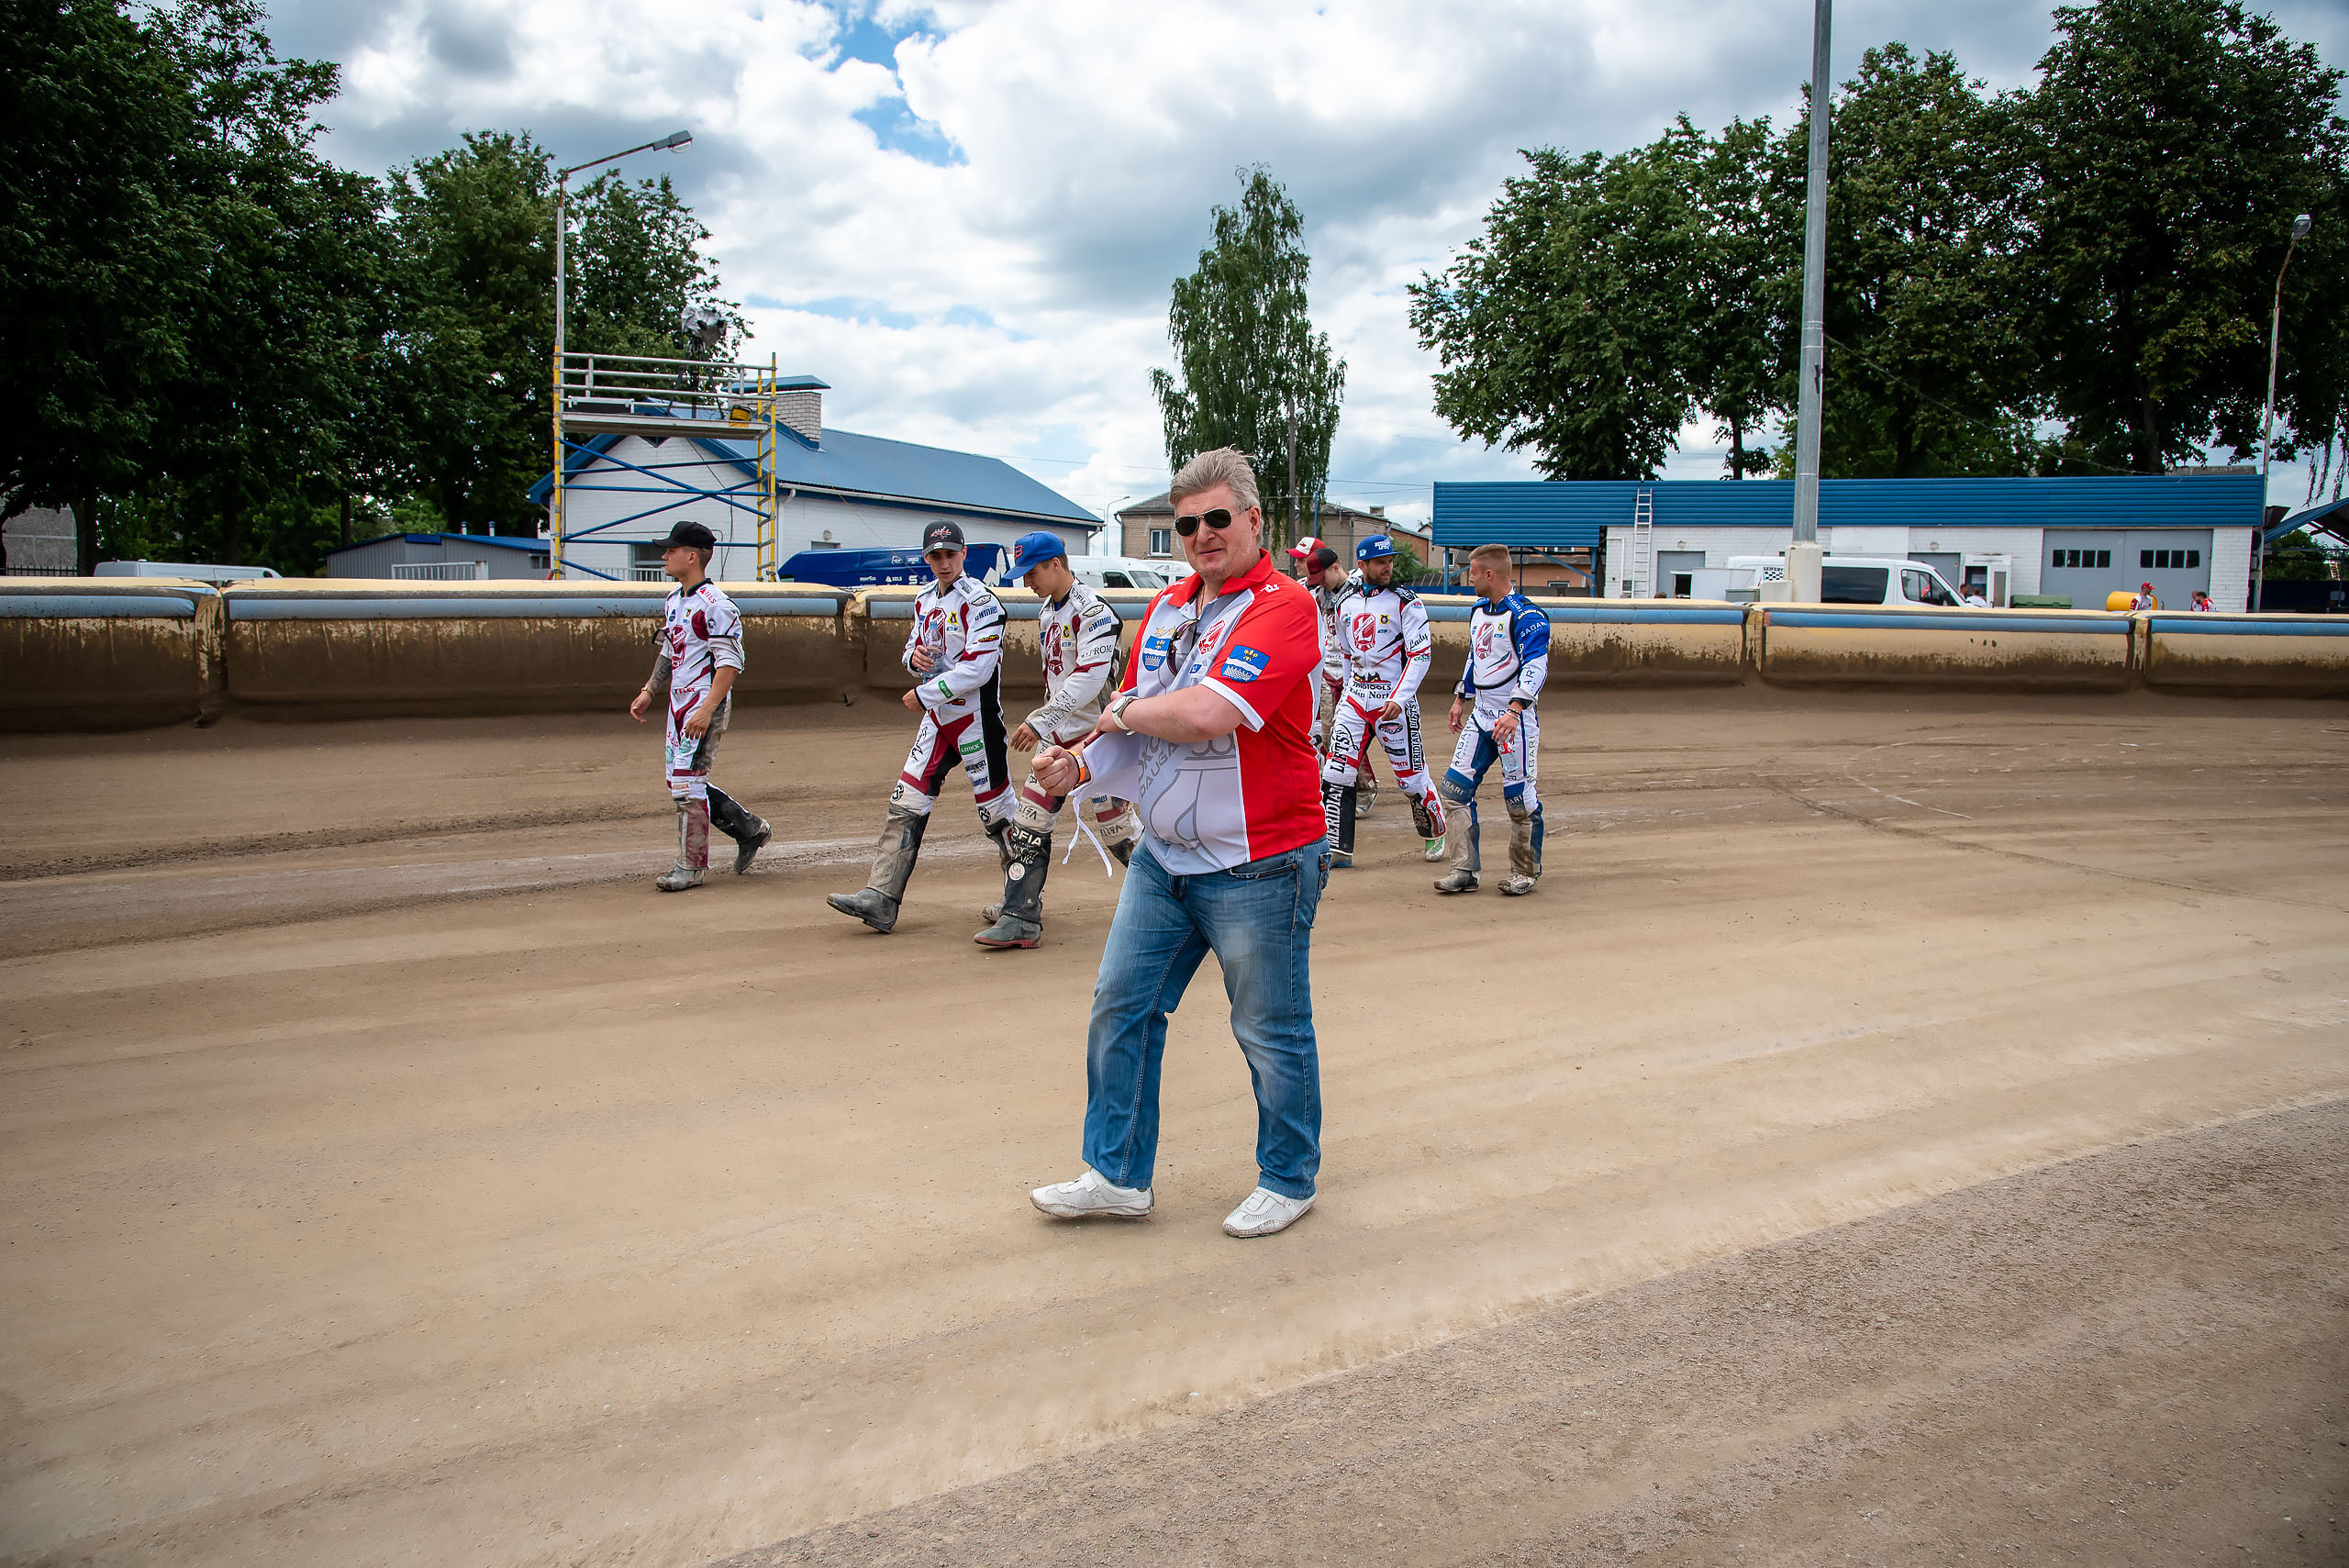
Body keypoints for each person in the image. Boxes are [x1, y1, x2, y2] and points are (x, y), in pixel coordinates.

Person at [1027, 447, 1330, 1240]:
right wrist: (1078, 763)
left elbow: (1203, 714)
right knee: (1120, 1008)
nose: (1200, 534)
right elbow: (1135, 727)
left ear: (1254, 521)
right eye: (1186, 523)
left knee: (1269, 1026)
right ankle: (1118, 1174)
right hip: (1165, 861)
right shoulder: (1164, 610)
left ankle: (1289, 1176)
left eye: (1216, 519)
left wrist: (1121, 717)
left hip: (1260, 862)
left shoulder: (1285, 607)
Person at [827, 520, 1010, 934]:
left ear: (963, 554)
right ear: (926, 558)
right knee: (905, 801)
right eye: (935, 556)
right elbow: (911, 648)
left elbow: (980, 669)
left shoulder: (982, 602)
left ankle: (1020, 902)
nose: (943, 563)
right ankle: (880, 897)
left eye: (950, 554)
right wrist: (916, 662)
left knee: (998, 814)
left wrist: (925, 693)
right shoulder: (925, 598)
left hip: (975, 722)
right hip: (937, 721)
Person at [974, 531, 1141, 950]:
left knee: (1120, 833)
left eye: (1030, 572)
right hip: (1060, 740)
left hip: (1098, 742)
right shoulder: (1049, 611)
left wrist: (1039, 719)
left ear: (1055, 564)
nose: (1025, 582)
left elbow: (1088, 678)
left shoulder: (1095, 612)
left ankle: (1188, 901)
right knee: (1028, 823)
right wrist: (1048, 723)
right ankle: (1020, 915)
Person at [627, 520, 771, 891]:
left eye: (671, 550)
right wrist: (649, 690)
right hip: (679, 705)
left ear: (691, 557)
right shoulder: (675, 600)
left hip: (703, 705)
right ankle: (749, 829)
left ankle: (691, 867)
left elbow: (730, 663)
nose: (664, 556)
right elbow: (669, 650)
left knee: (686, 787)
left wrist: (707, 709)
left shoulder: (717, 606)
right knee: (681, 781)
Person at [1320, 535, 1446, 866]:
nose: (1387, 566)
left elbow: (1420, 657)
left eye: (1389, 560)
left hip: (1393, 704)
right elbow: (1346, 654)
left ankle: (1435, 831)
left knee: (1410, 778)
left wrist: (1400, 699)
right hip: (1356, 701)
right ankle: (1338, 848)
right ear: (1362, 565)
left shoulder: (1407, 602)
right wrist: (1348, 692)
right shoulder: (1344, 602)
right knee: (1336, 773)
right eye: (1380, 562)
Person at [1437, 542, 1550, 897]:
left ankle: (1525, 871)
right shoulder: (1478, 611)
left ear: (1489, 574)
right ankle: (1464, 869)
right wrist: (1460, 697)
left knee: (1519, 800)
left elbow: (1536, 667)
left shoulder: (1528, 616)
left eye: (1471, 573)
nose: (1467, 579)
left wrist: (1515, 711)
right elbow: (1476, 655)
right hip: (1481, 715)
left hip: (1514, 722)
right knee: (1454, 791)